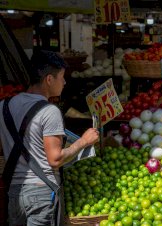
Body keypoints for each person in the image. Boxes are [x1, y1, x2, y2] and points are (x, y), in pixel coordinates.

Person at [0, 50, 99, 226]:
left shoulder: (4, 107)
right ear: (49, 79)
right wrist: (84, 141)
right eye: (62, 77)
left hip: (14, 193)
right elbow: (55, 159)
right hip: (41, 194)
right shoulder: (49, 111)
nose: (65, 82)